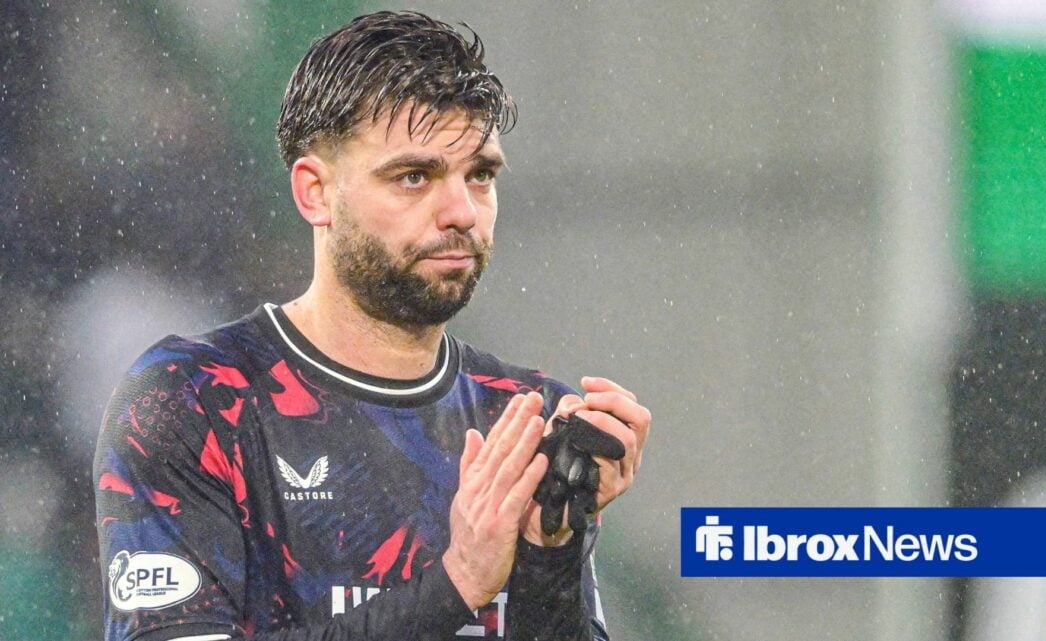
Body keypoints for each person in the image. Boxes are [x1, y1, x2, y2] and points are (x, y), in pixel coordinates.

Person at [92, 10, 651, 641]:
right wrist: (457, 585)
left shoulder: (523, 417)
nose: (462, 212)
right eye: (415, 177)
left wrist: (551, 550)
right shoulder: (193, 400)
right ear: (315, 193)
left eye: (481, 175)